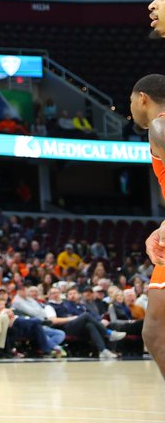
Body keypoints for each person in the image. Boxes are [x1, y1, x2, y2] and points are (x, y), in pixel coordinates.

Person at [125, 71, 165, 379]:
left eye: (130, 102)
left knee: (155, 334)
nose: (130, 110)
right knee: (155, 332)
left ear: (143, 98)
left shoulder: (159, 125)